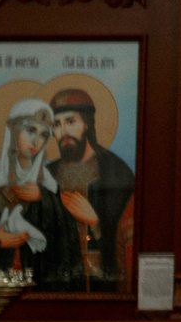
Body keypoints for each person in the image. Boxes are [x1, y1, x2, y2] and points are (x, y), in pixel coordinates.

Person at [0, 98, 76, 279]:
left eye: (43, 135)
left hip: (39, 289)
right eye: (30, 130)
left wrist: (44, 199)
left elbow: (67, 242)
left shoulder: (48, 185)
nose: (36, 140)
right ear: (13, 132)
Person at [51, 84, 136, 288]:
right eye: (57, 125)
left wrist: (94, 222)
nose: (63, 132)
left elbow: (127, 241)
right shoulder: (48, 175)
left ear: (86, 124)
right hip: (55, 286)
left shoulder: (116, 172)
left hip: (103, 285)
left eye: (71, 122)